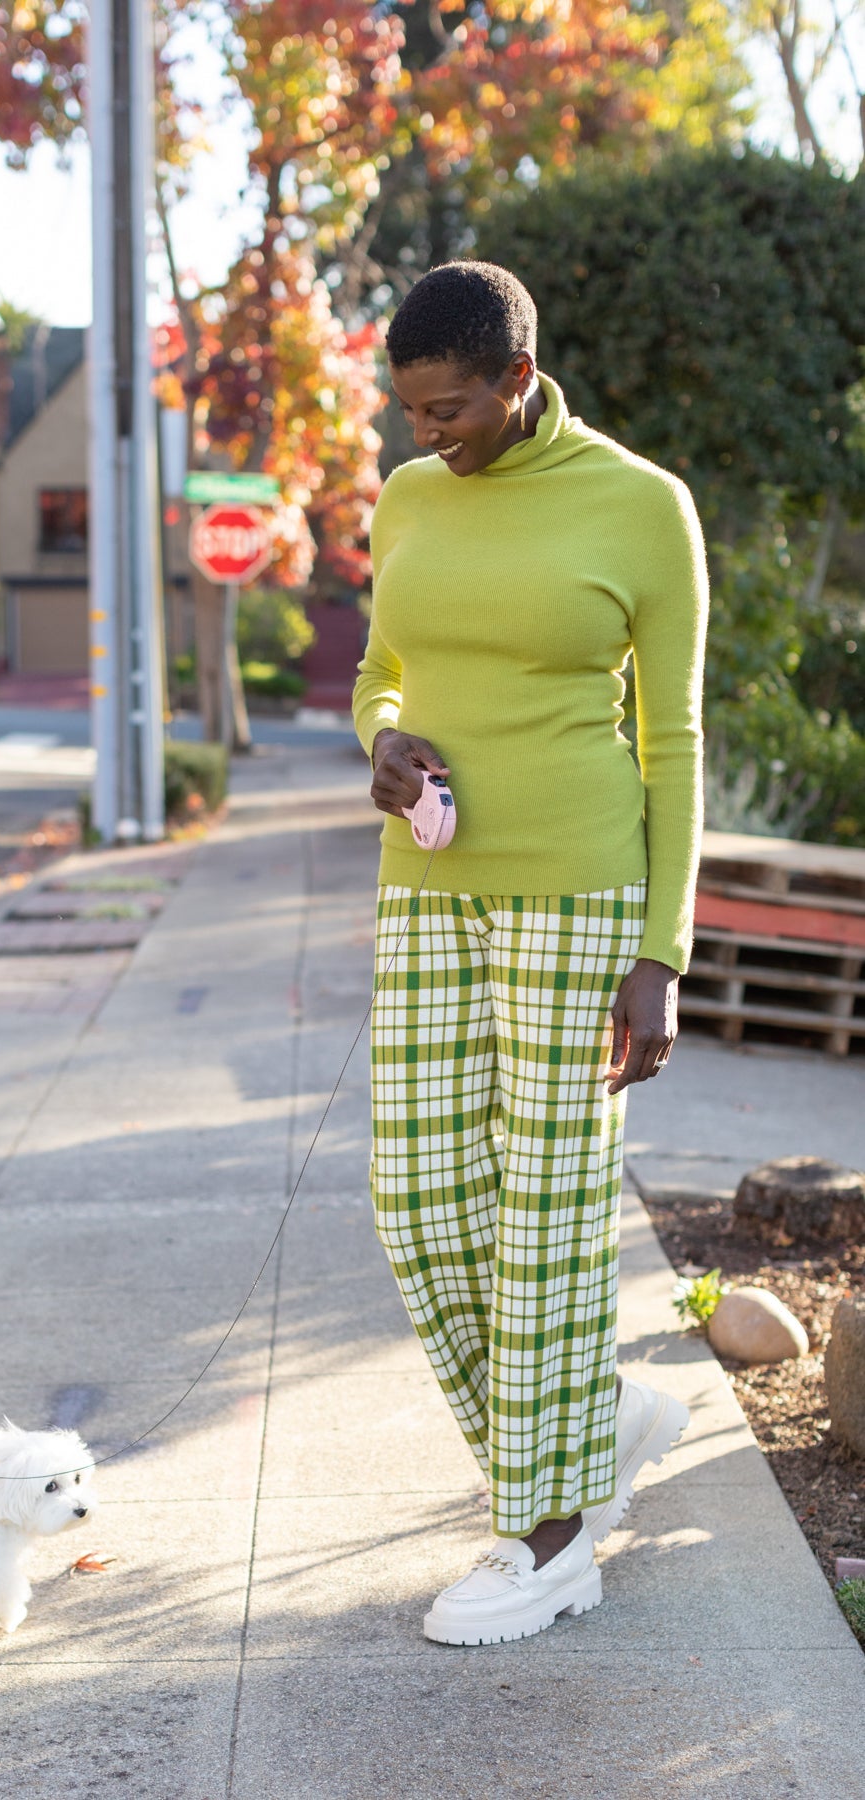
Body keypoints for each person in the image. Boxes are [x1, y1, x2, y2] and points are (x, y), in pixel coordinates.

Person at [353, 260, 707, 1647]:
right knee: (420, 1203)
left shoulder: (639, 506)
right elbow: (385, 662)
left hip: (579, 899)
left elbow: (672, 744)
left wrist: (661, 951)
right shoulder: (403, 497)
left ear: (516, 376)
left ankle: (547, 1537)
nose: (423, 435)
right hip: (427, 888)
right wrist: (378, 740)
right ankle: (591, 1422)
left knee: (548, 1221)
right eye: (406, 412)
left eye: (445, 410)